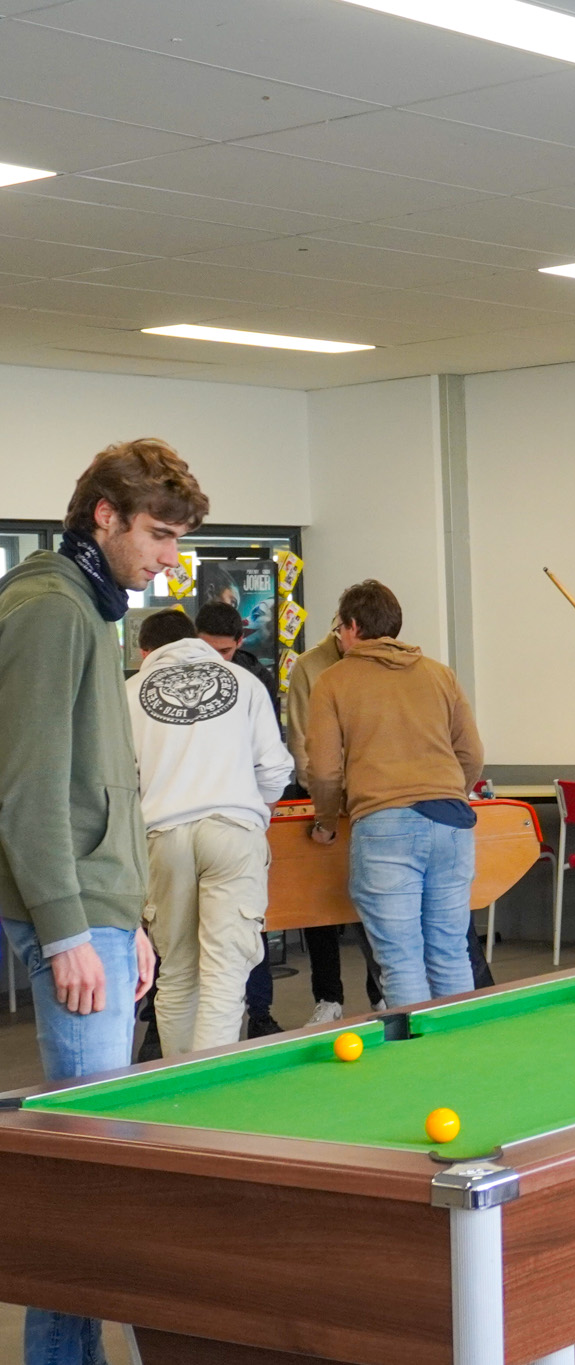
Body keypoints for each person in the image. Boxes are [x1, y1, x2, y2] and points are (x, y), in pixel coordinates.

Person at [0, 438, 204, 1364]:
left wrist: (132, 920)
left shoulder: (87, 604)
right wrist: (69, 928)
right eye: (159, 535)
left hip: (101, 913)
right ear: (105, 517)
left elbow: (103, 785)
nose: (169, 559)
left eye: (177, 540)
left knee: (98, 1171)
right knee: (88, 1179)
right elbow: (28, 787)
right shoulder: (50, 609)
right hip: (72, 918)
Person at [305, 580, 485, 1008]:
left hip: (384, 826)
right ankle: (462, 1044)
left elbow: (324, 771)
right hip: (453, 822)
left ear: (353, 626)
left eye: (339, 629)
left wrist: (326, 822)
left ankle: (417, 1050)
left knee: (401, 960)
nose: (339, 637)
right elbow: (472, 754)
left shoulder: (332, 681)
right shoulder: (440, 674)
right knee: (451, 950)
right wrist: (449, 791)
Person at [127, 607, 292, 1055]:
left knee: (177, 973)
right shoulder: (244, 682)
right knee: (225, 974)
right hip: (232, 832)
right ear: (195, 640)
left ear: (144, 651)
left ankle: (183, 1082)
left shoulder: (129, 692)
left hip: (163, 835)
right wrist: (255, 814)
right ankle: (214, 1083)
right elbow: (275, 769)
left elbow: (120, 781)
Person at [284, 624, 379, 1025]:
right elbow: (302, 740)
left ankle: (381, 993)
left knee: (374, 899)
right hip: (319, 794)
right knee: (317, 902)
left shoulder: (378, 661)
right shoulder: (309, 666)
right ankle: (328, 997)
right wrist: (325, 801)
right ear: (344, 629)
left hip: (367, 797)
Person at [195, 598, 279, 713]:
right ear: (195, 640)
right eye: (207, 649)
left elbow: (269, 723)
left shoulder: (260, 679)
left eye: (224, 651)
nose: (216, 658)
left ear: (239, 641)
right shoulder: (178, 672)